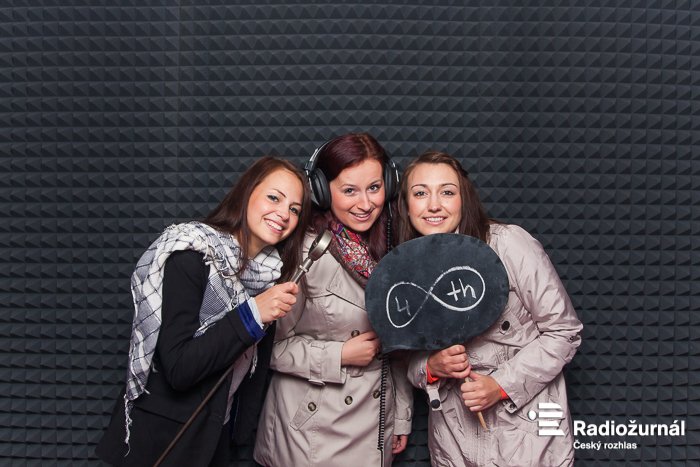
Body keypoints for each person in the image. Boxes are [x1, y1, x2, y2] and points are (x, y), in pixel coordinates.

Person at [95, 156, 311, 467]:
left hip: (213, 437)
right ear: (247, 192)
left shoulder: (269, 276)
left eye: (294, 209)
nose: (283, 214)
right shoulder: (192, 255)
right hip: (162, 440)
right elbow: (179, 369)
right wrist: (251, 315)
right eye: (274, 198)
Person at [397, 151, 583, 466]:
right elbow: (406, 361)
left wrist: (501, 385)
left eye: (447, 192)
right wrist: (431, 366)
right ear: (406, 205)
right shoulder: (404, 273)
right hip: (452, 443)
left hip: (526, 440)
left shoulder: (509, 244)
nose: (434, 205)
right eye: (420, 193)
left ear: (464, 199)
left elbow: (564, 332)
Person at [254, 133, 413, 466]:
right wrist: (339, 355)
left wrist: (400, 416)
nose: (365, 204)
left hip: (374, 425)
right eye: (349, 191)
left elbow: (399, 343)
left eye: (374, 187)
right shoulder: (305, 252)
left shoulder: (394, 248)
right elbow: (271, 349)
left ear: (389, 184)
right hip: (311, 433)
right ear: (322, 191)